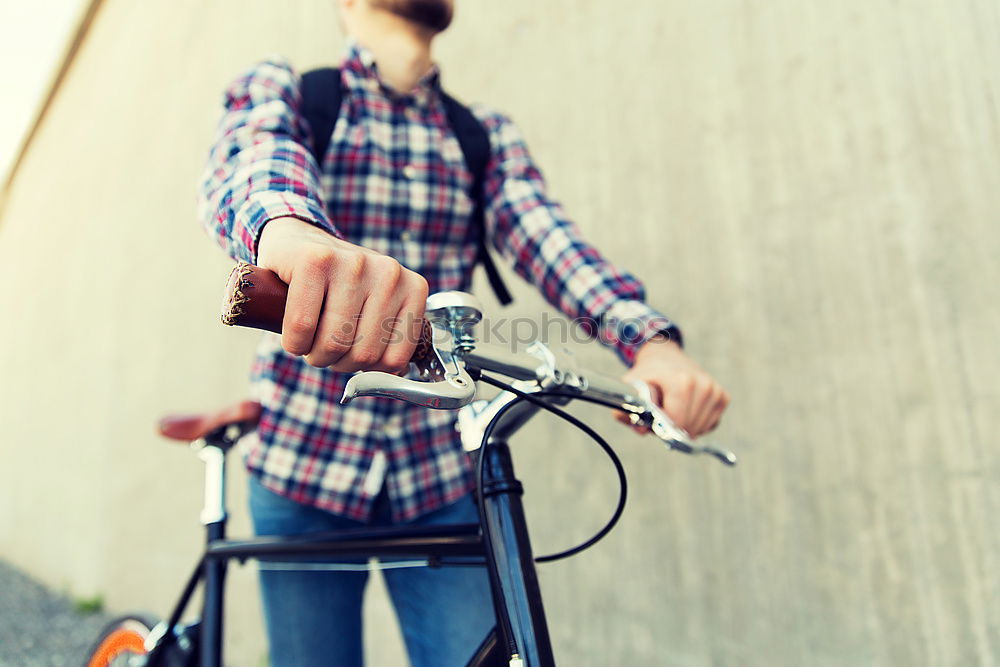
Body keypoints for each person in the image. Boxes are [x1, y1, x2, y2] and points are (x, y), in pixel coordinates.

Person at [198, 0, 730, 664]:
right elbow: (256, 158)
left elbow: (551, 242)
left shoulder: (482, 136)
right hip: (301, 460)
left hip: (439, 471)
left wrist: (649, 343)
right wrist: (291, 231)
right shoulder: (292, 91)